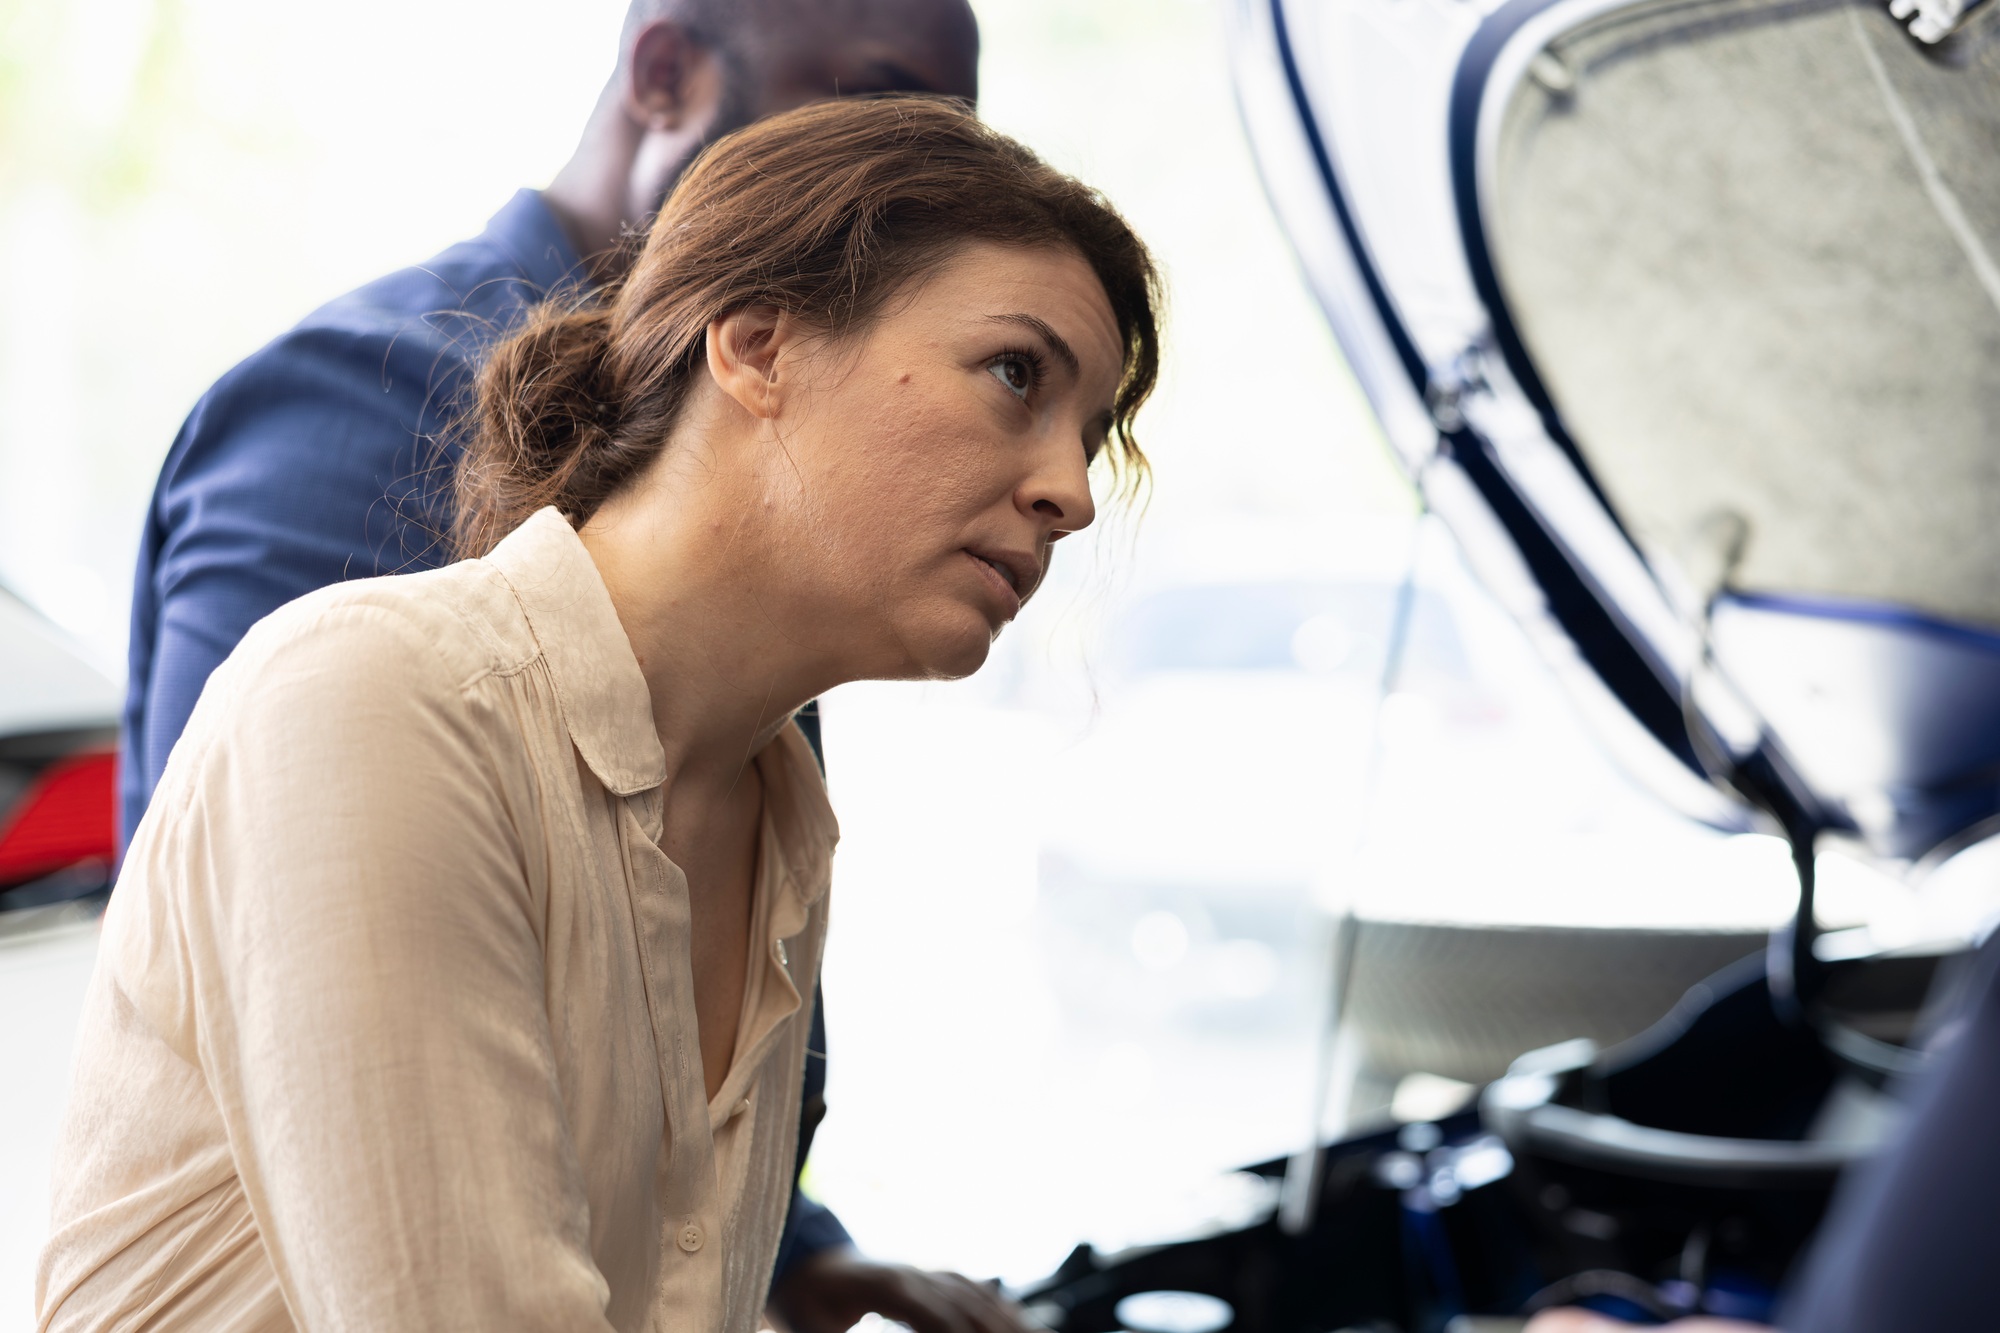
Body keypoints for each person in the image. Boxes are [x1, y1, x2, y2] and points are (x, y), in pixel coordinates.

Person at [41, 95, 1161, 1330]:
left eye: (1089, 434)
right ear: (755, 344)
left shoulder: (779, 814)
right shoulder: (379, 702)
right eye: (1016, 376)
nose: (1070, 492)